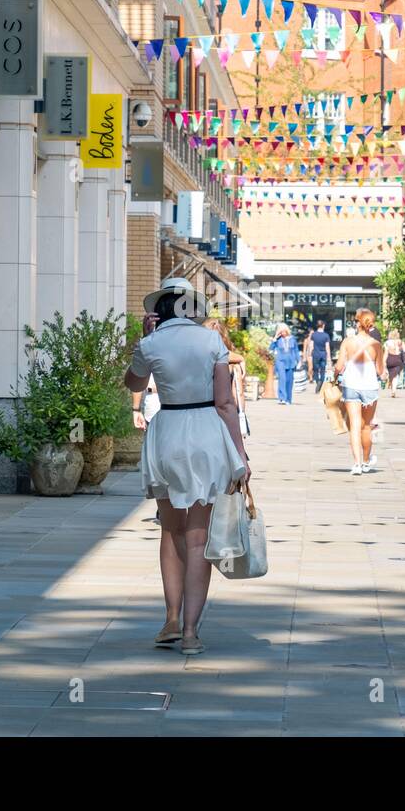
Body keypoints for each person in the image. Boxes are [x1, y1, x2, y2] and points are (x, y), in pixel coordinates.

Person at [124, 277, 249, 656]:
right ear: (192, 308)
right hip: (206, 434)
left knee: (169, 530)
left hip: (167, 434)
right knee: (198, 538)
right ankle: (192, 633)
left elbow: (133, 382)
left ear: (159, 310)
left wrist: (142, 344)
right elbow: (226, 404)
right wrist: (240, 456)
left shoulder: (151, 343)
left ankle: (171, 619)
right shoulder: (211, 341)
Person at [334, 308, 387, 475]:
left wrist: (335, 376)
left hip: (351, 385)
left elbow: (339, 366)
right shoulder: (376, 345)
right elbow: (380, 371)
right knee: (366, 427)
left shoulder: (347, 342)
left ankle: (356, 464)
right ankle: (365, 461)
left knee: (355, 425)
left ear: (357, 323)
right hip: (370, 387)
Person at [205, 318, 249, 438]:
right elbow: (238, 395)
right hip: (225, 416)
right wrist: (241, 414)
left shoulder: (199, 361)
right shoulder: (234, 365)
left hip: (203, 414)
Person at [269, 323, 299, 405]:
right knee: (282, 379)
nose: (282, 333)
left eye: (283, 331)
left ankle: (288, 399)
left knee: (289, 381)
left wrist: (298, 360)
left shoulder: (292, 339)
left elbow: (296, 350)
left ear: (287, 330)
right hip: (280, 361)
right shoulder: (278, 340)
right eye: (280, 332)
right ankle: (282, 398)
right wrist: (275, 338)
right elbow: (270, 348)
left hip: (291, 362)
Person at [384, 329, 405, 397]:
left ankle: (392, 387)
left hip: (390, 359)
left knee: (391, 374)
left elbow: (386, 353)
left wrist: (384, 361)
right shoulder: (401, 342)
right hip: (398, 359)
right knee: (396, 376)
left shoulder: (387, 342)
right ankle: (394, 390)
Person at [310, 320, 331, 390]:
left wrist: (310, 354)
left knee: (315, 370)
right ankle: (321, 382)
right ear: (323, 326)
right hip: (323, 354)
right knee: (322, 370)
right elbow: (327, 347)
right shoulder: (326, 336)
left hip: (315, 354)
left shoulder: (313, 335)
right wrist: (329, 357)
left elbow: (311, 346)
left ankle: (317, 381)